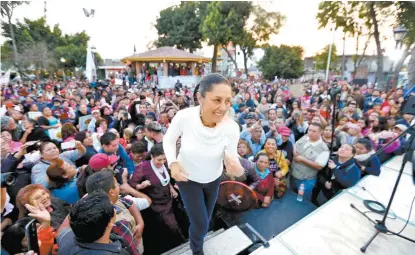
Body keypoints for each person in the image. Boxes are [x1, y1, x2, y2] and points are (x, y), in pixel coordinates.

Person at [163, 74, 243, 255]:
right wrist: (173, 163)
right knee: (200, 224)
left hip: (213, 179)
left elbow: (233, 157)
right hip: (188, 179)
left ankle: (197, 237)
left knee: (205, 219)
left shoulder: (231, 128)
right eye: (217, 100)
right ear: (200, 98)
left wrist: (237, 169)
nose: (223, 108)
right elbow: (168, 140)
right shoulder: (184, 117)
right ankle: (197, 250)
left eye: (228, 101)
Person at [56, 191, 130, 255]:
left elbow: (63, 228)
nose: (114, 209)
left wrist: (81, 207)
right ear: (110, 222)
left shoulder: (66, 238)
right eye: (113, 207)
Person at [290, 122, 330, 201]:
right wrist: (294, 151)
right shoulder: (305, 137)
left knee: (304, 200)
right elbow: (295, 144)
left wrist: (302, 159)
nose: (310, 133)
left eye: (314, 131)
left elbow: (319, 166)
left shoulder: (323, 149)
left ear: (321, 132)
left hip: (306, 180)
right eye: (309, 130)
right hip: (293, 174)